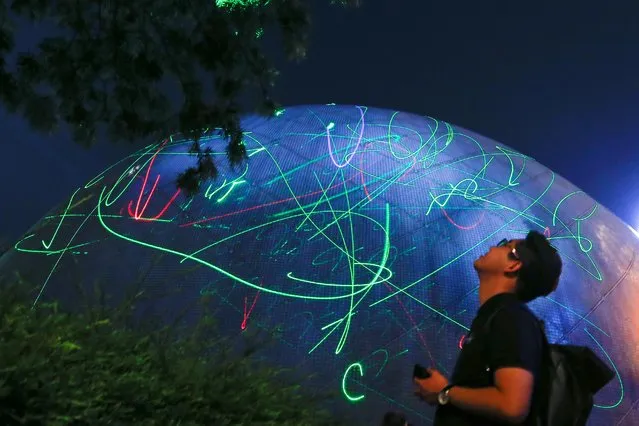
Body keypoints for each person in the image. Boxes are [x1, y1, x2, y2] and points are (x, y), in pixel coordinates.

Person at [413, 231, 562, 425]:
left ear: (513, 265)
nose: (493, 247)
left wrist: (445, 392)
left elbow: (512, 406)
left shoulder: (510, 317)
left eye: (504, 245)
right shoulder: (497, 316)